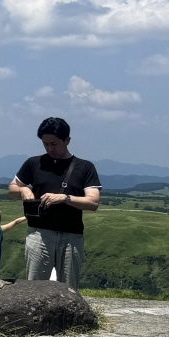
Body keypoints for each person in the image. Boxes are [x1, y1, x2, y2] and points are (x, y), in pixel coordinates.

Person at [8, 118, 102, 289]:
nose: (50, 149)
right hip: (39, 234)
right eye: (45, 144)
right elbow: (11, 189)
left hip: (71, 236)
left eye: (54, 144)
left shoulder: (85, 167)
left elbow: (93, 202)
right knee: (33, 289)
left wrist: (65, 198)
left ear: (67, 140)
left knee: (69, 289)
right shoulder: (33, 163)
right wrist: (22, 190)